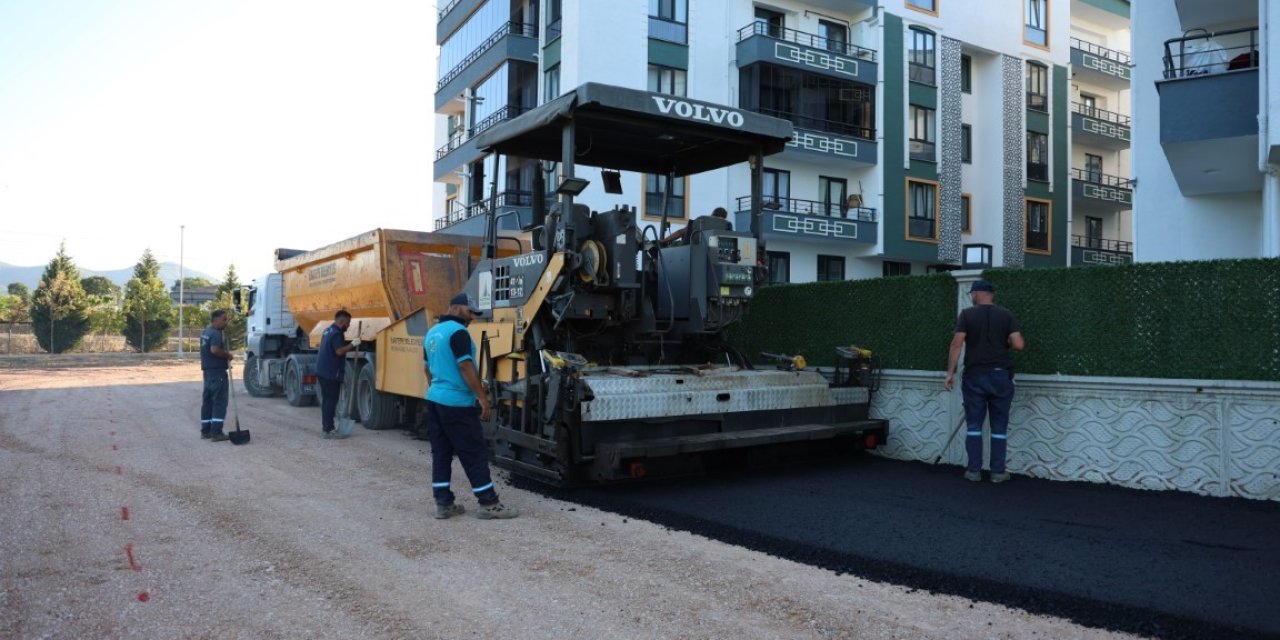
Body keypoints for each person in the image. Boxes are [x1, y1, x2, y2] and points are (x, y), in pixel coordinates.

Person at [423, 292, 518, 520]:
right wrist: (482, 398)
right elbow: (465, 366)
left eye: (475, 314)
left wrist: (437, 391)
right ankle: (488, 504)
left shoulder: (432, 333)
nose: (472, 317)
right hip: (456, 403)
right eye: (469, 312)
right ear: (455, 308)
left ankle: (443, 503)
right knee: (473, 452)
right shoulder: (459, 333)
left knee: (442, 453)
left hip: (435, 400)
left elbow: (427, 368)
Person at [944, 279, 1026, 483]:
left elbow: (956, 344)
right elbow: (1018, 345)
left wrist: (950, 373)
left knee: (974, 425)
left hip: (975, 377)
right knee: (999, 426)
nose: (971, 297)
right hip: (1000, 376)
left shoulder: (967, 315)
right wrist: (1004, 341)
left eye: (972, 294)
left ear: (978, 293)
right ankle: (998, 473)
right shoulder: (1006, 315)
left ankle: (973, 471)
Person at [315, 310, 360, 439]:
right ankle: (328, 430)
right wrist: (352, 344)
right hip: (330, 373)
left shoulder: (328, 330)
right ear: (343, 321)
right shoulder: (336, 334)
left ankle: (327, 428)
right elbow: (339, 351)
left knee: (327, 401)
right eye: (348, 322)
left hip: (322, 370)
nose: (349, 325)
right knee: (330, 401)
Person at [199, 309, 235, 442]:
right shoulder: (215, 334)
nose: (226, 322)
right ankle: (216, 432)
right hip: (217, 372)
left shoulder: (206, 332)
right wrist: (227, 355)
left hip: (208, 372)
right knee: (219, 402)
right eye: (224, 319)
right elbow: (214, 350)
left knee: (207, 402)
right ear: (216, 320)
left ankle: (206, 430)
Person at [660, 206, 730, 246]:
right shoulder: (727, 226)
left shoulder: (702, 221)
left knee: (671, 245)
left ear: (713, 214)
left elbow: (680, 232)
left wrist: (663, 241)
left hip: (692, 249)